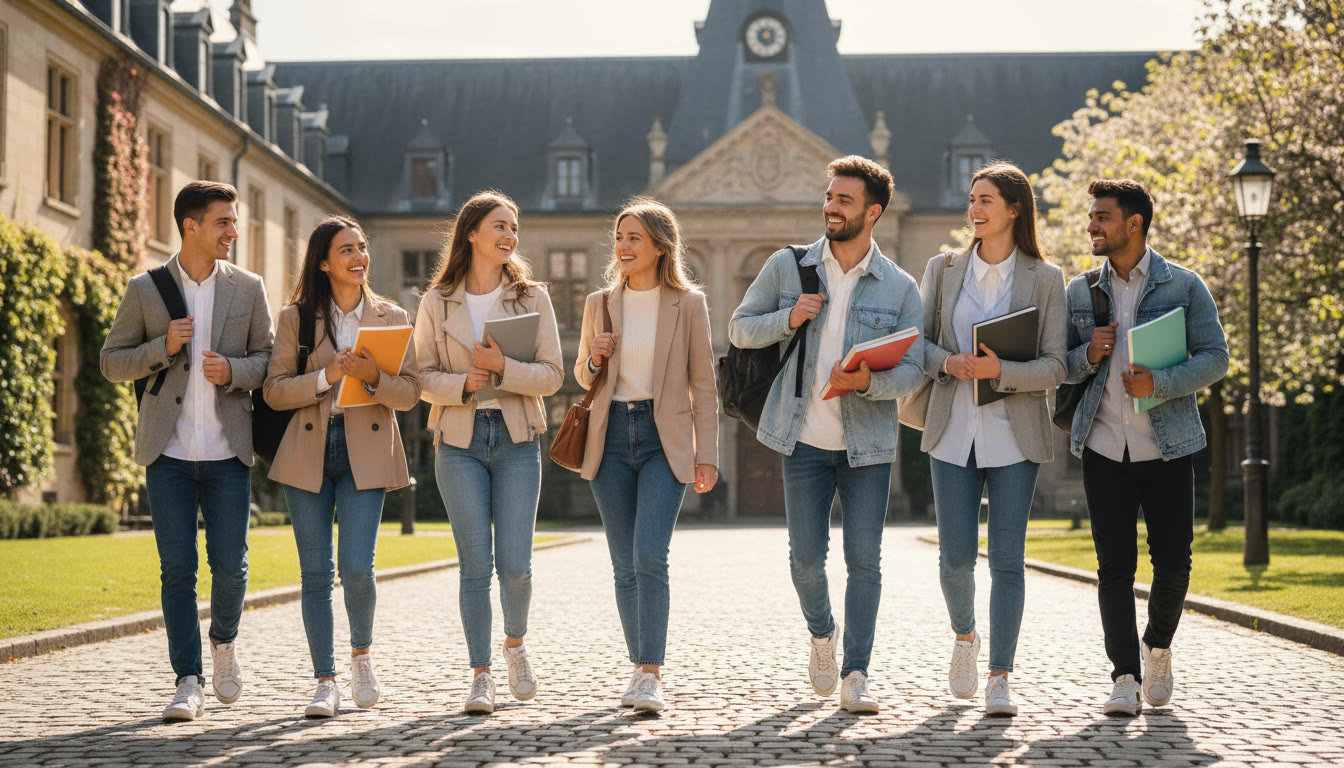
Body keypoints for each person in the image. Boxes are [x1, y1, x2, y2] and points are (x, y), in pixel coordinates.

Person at [728, 156, 925, 713]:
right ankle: (823, 635)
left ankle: (857, 672)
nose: (830, 207)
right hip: (804, 439)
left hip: (868, 445)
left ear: (873, 212)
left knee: (865, 560)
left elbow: (913, 370)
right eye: (829, 196)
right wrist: (788, 318)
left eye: (844, 200)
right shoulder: (787, 267)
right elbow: (739, 329)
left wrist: (869, 383)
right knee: (805, 560)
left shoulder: (900, 286)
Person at [100, 181, 273, 721]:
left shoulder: (248, 287)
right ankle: (188, 679)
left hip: (227, 453)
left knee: (232, 568)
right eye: (224, 221)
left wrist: (234, 371)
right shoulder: (146, 289)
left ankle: (223, 642)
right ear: (190, 226)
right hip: (167, 453)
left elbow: (269, 360)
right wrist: (163, 348)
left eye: (235, 220)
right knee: (177, 569)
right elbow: (111, 361)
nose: (234, 231)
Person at [1063, 179, 1228, 716]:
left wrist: (1157, 383)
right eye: (1092, 216)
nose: (1092, 225)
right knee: (1114, 568)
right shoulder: (1080, 290)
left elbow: (1215, 358)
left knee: (1174, 565)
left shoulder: (1184, 286)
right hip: (1105, 446)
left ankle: (1157, 647)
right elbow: (1060, 367)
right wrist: (1087, 354)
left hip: (1169, 446)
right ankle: (1124, 677)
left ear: (1133, 222)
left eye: (1102, 217)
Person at [918, 161, 1067, 716]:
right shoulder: (944, 267)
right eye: (972, 199)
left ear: (1014, 209)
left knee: (1007, 559)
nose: (974, 209)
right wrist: (951, 362)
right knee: (955, 559)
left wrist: (998, 371)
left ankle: (1000, 674)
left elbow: (1054, 366)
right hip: (952, 430)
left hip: (1014, 436)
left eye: (986, 200)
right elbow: (921, 347)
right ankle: (965, 638)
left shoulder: (1046, 279)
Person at [412, 190, 563, 714]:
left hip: (518, 439)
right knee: (475, 565)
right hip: (459, 442)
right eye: (500, 225)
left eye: (514, 228)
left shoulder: (532, 297)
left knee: (516, 565)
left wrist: (503, 370)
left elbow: (553, 375)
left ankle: (515, 646)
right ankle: (480, 675)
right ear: (471, 232)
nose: (509, 236)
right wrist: (466, 385)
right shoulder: (436, 302)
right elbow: (421, 378)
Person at [262, 216, 420, 717]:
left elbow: (412, 393)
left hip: (364, 452)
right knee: (315, 574)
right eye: (346, 249)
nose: (359, 257)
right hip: (308, 449)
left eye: (363, 247)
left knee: (357, 568)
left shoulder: (392, 316)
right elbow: (273, 390)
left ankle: (362, 656)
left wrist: (373, 377)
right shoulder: (295, 318)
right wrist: (325, 376)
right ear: (325, 261)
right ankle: (324, 681)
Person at [573, 198, 719, 713]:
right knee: (621, 563)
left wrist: (707, 455)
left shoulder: (689, 304)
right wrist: (595, 355)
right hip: (609, 436)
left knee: (648, 556)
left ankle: (651, 673)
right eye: (620, 237)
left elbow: (703, 383)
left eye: (634, 237)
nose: (624, 246)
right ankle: (639, 668)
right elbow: (582, 376)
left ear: (660, 246)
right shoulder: (600, 303)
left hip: (664, 439)